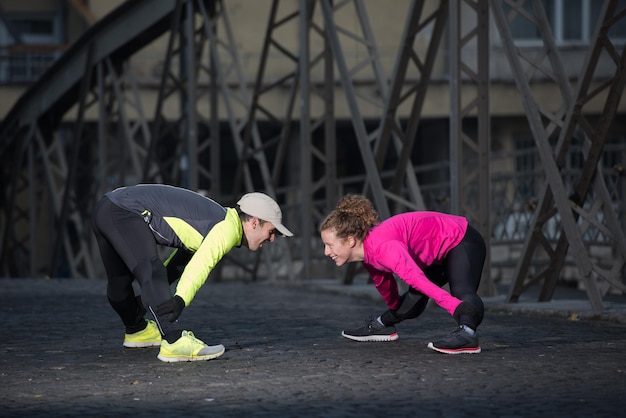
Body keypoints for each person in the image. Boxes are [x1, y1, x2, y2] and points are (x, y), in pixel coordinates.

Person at [91, 184, 293, 362]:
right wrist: (179, 300)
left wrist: (151, 299)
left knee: (120, 280)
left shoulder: (212, 219)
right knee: (151, 269)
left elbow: (178, 266)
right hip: (123, 211)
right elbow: (201, 265)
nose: (272, 239)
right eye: (272, 231)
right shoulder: (226, 228)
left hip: (106, 208)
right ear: (255, 222)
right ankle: (174, 340)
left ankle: (137, 330)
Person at [319, 194, 486, 354]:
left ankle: (468, 334)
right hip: (437, 254)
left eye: (330, 245)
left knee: (461, 291)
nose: (326, 252)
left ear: (350, 240)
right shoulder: (367, 254)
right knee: (413, 299)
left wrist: (453, 305)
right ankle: (382, 325)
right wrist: (395, 308)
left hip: (461, 239)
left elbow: (415, 279)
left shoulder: (383, 247)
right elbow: (384, 283)